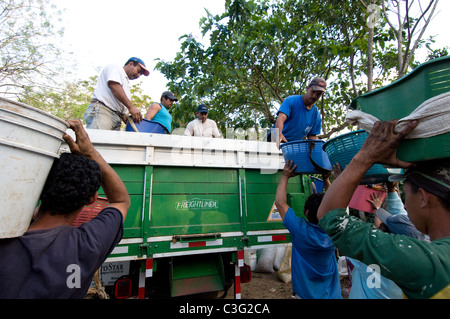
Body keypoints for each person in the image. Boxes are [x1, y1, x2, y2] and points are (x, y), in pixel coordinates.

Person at [317, 119, 450, 299]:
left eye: (405, 192)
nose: (405, 204)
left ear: (423, 198)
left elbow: (330, 217)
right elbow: (400, 215)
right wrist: (391, 189)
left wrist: (365, 157)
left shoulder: (425, 262)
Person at [0, 119, 130, 298]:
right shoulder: (85, 246)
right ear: (92, 199)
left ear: (40, 186)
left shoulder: (6, 240)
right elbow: (120, 201)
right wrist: (90, 153)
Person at [275, 160, 342, 299]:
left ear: (306, 212)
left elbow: (280, 203)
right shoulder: (334, 231)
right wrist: (327, 180)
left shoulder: (300, 230)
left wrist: (285, 175)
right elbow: (334, 206)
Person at [84, 57, 149, 130]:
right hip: (104, 110)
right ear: (130, 63)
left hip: (117, 117)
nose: (138, 75)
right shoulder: (115, 67)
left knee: (108, 141)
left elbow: (123, 110)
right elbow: (113, 85)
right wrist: (131, 107)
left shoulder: (126, 84)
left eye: (141, 74)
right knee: (97, 139)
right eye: (138, 71)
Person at [270, 77, 326, 145]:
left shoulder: (316, 115)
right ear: (307, 89)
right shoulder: (291, 101)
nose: (314, 96)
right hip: (273, 139)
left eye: (318, 94)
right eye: (313, 92)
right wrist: (278, 134)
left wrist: (322, 146)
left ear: (321, 95)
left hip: (291, 145)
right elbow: (281, 118)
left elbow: (312, 136)